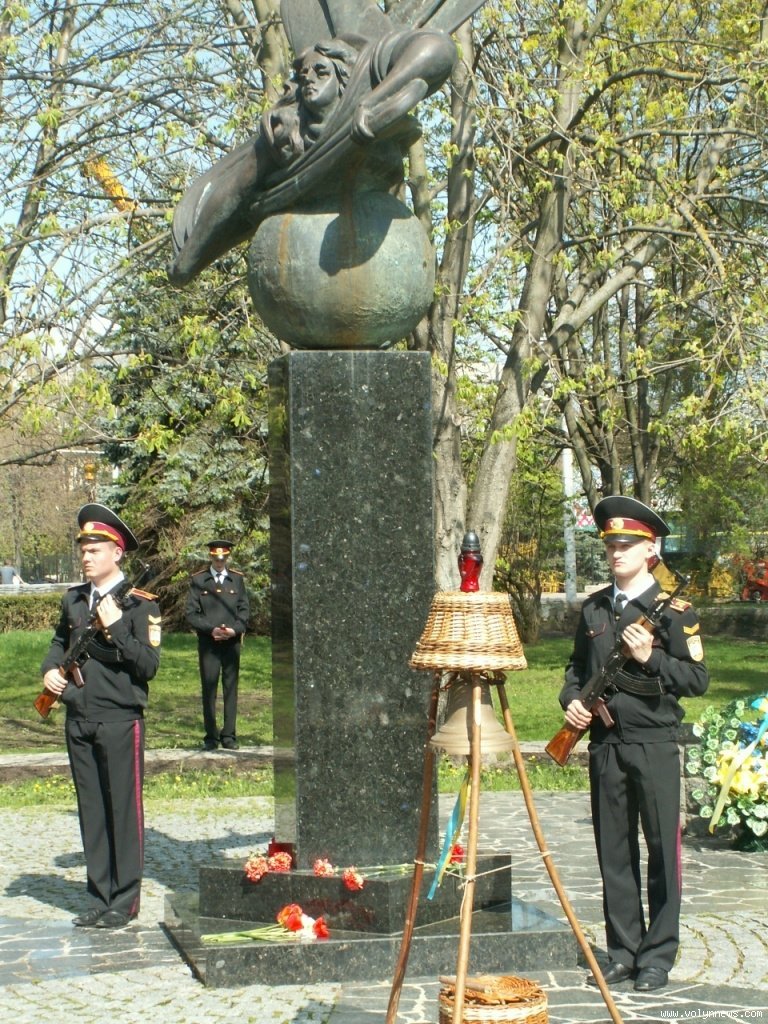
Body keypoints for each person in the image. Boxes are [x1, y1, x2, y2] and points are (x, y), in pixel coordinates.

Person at [559, 496, 708, 992]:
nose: (617, 552)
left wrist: (652, 659)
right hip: (606, 745)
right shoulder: (595, 607)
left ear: (651, 550)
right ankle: (623, 952)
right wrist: (572, 702)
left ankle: (657, 957)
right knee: (614, 853)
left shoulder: (675, 613)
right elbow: (576, 669)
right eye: (611, 545)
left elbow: (697, 680)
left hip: (654, 743)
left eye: (627, 545)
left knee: (662, 852)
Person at [40, 503, 161, 929]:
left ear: (117, 553)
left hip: (119, 718)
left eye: (95, 550)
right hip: (79, 716)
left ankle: (124, 901)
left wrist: (118, 629)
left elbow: (148, 666)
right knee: (91, 810)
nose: (86, 557)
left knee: (123, 812)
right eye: (84, 550)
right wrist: (50, 671)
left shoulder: (141, 606)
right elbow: (60, 642)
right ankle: (98, 895)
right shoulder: (74, 599)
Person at [186, 540, 250, 751]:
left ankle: (229, 735)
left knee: (231, 688)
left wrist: (235, 630)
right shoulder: (199, 580)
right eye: (216, 558)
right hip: (209, 643)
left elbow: (244, 610)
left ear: (227, 558)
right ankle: (211, 737)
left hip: (231, 643)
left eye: (223, 559)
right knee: (209, 688)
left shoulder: (237, 580)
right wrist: (210, 629)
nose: (219, 562)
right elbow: (191, 613)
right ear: (211, 557)